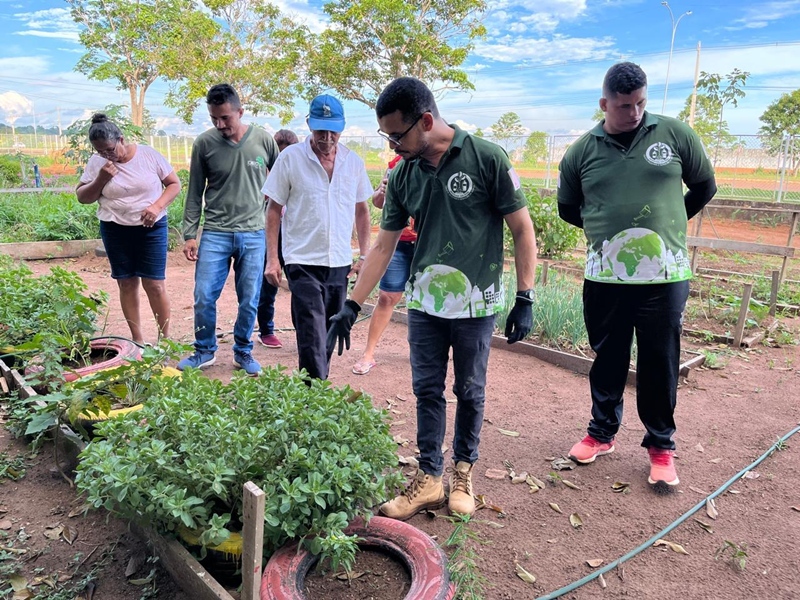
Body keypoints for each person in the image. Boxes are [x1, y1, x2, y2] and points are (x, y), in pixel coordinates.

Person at [326, 77, 538, 520]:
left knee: (470, 390)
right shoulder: (403, 173)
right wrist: (352, 304)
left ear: (426, 121)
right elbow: (383, 246)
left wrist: (525, 295)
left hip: (475, 304)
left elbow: (522, 228)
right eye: (386, 135)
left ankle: (463, 472)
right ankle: (429, 477)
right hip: (425, 303)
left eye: (397, 135)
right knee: (426, 390)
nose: (392, 144)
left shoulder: (487, 158)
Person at [557, 62, 717, 491]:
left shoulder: (674, 133)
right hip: (605, 277)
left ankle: (661, 446)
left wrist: (669, 225)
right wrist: (608, 235)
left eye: (641, 103)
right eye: (625, 105)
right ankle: (601, 433)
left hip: (664, 277)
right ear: (604, 103)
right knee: (607, 357)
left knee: (659, 360)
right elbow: (568, 208)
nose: (635, 112)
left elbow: (704, 186)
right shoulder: (581, 151)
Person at [263, 94, 372, 381]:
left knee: (330, 330)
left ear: (342, 127)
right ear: (309, 124)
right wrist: (273, 259)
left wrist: (364, 255)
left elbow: (362, 211)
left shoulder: (353, 162)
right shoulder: (290, 158)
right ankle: (315, 394)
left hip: (338, 261)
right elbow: (273, 209)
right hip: (301, 259)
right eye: (320, 130)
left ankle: (311, 391)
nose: (326, 138)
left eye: (333, 131)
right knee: (311, 330)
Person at [178, 84, 280, 376]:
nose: (220, 125)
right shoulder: (204, 144)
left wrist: (275, 206)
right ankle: (204, 350)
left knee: (249, 297)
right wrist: (189, 234)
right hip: (215, 232)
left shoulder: (262, 140)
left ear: (240, 111)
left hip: (253, 232)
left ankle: (243, 351)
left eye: (225, 118)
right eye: (214, 119)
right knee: (204, 295)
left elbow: (283, 178)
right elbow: (195, 192)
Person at [76, 113, 180, 344]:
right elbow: (83, 197)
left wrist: (156, 206)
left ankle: (165, 341)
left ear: (121, 139)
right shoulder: (98, 163)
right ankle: (138, 341)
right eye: (100, 151)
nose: (107, 155)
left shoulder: (148, 155)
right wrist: (101, 178)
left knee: (154, 284)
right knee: (126, 282)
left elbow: (174, 184)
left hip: (151, 228)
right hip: (115, 228)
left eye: (110, 150)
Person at [352, 155, 415, 375]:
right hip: (396, 241)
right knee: (387, 296)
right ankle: (368, 354)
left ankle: (429, 352)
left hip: (428, 242)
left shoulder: (435, 161)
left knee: (429, 299)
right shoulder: (395, 164)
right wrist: (382, 193)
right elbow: (378, 202)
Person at [256, 128, 299, 349]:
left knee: (300, 285)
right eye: (280, 154)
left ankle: (305, 331)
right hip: (273, 231)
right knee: (269, 282)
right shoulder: (264, 170)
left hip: (296, 234)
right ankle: (266, 330)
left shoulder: (300, 169)